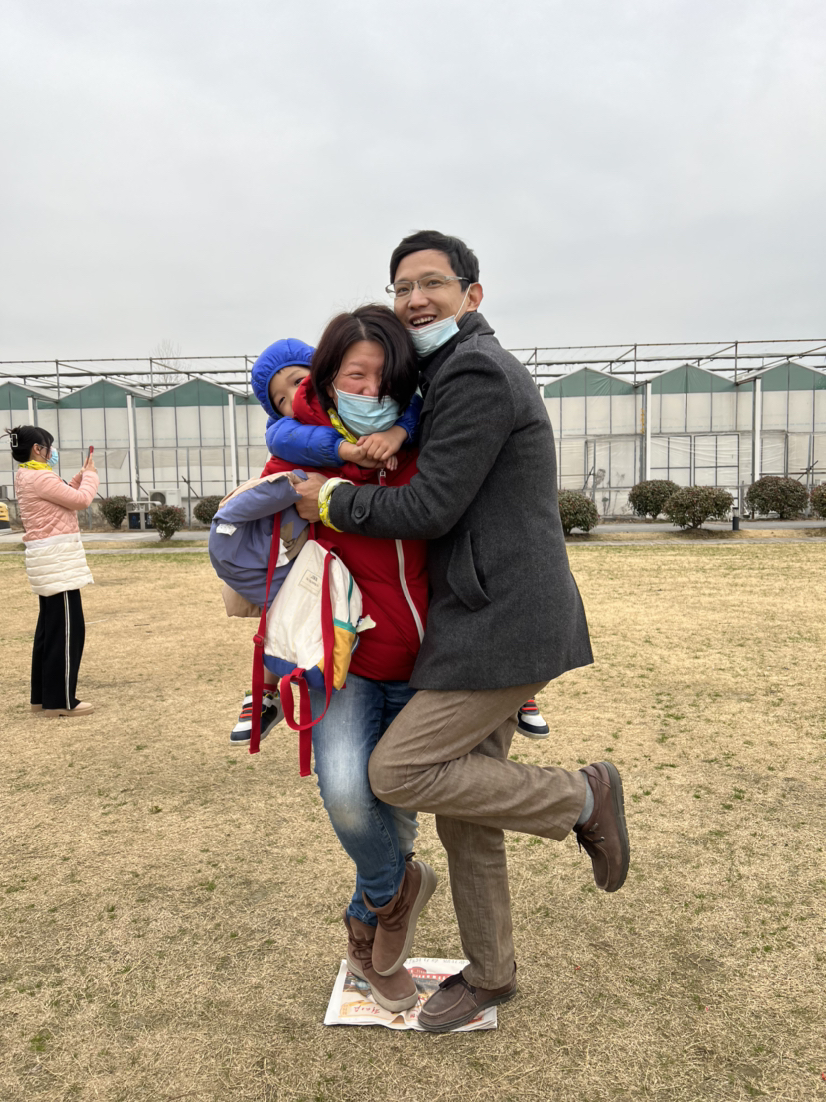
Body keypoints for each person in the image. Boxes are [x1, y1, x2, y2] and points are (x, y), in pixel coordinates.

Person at [294, 230, 631, 1032]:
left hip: (500, 622)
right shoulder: (440, 377)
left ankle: (584, 795)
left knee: (398, 769)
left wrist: (330, 501)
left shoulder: (476, 371)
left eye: (432, 283)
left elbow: (431, 506)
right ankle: (492, 975)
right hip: (475, 618)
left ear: (471, 295)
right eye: (401, 286)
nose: (414, 299)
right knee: (467, 813)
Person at [227, 337, 551, 744]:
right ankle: (264, 691)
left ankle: (514, 687)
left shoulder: (415, 425)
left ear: (325, 377)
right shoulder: (290, 442)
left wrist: (397, 433)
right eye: (280, 399)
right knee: (282, 604)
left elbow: (415, 406)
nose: (294, 396)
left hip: (438, 627)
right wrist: (343, 454)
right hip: (346, 629)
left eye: (298, 381)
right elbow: (285, 443)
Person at [257, 305, 438, 1014]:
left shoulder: (425, 438)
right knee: (344, 791)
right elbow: (252, 522)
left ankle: (368, 930)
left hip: (428, 662)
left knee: (396, 808)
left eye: (384, 377)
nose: (370, 390)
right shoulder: (300, 456)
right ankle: (396, 895)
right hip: (347, 662)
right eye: (354, 376)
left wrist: (403, 432)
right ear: (329, 378)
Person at [6, 425, 99, 717]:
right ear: (37, 449)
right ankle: (61, 702)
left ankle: (42, 697)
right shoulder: (40, 477)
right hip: (58, 562)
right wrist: (92, 476)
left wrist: (79, 478)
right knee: (68, 632)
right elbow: (81, 500)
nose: (51, 451)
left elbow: (63, 495)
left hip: (48, 560)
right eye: (48, 446)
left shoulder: (27, 475)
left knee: (50, 630)